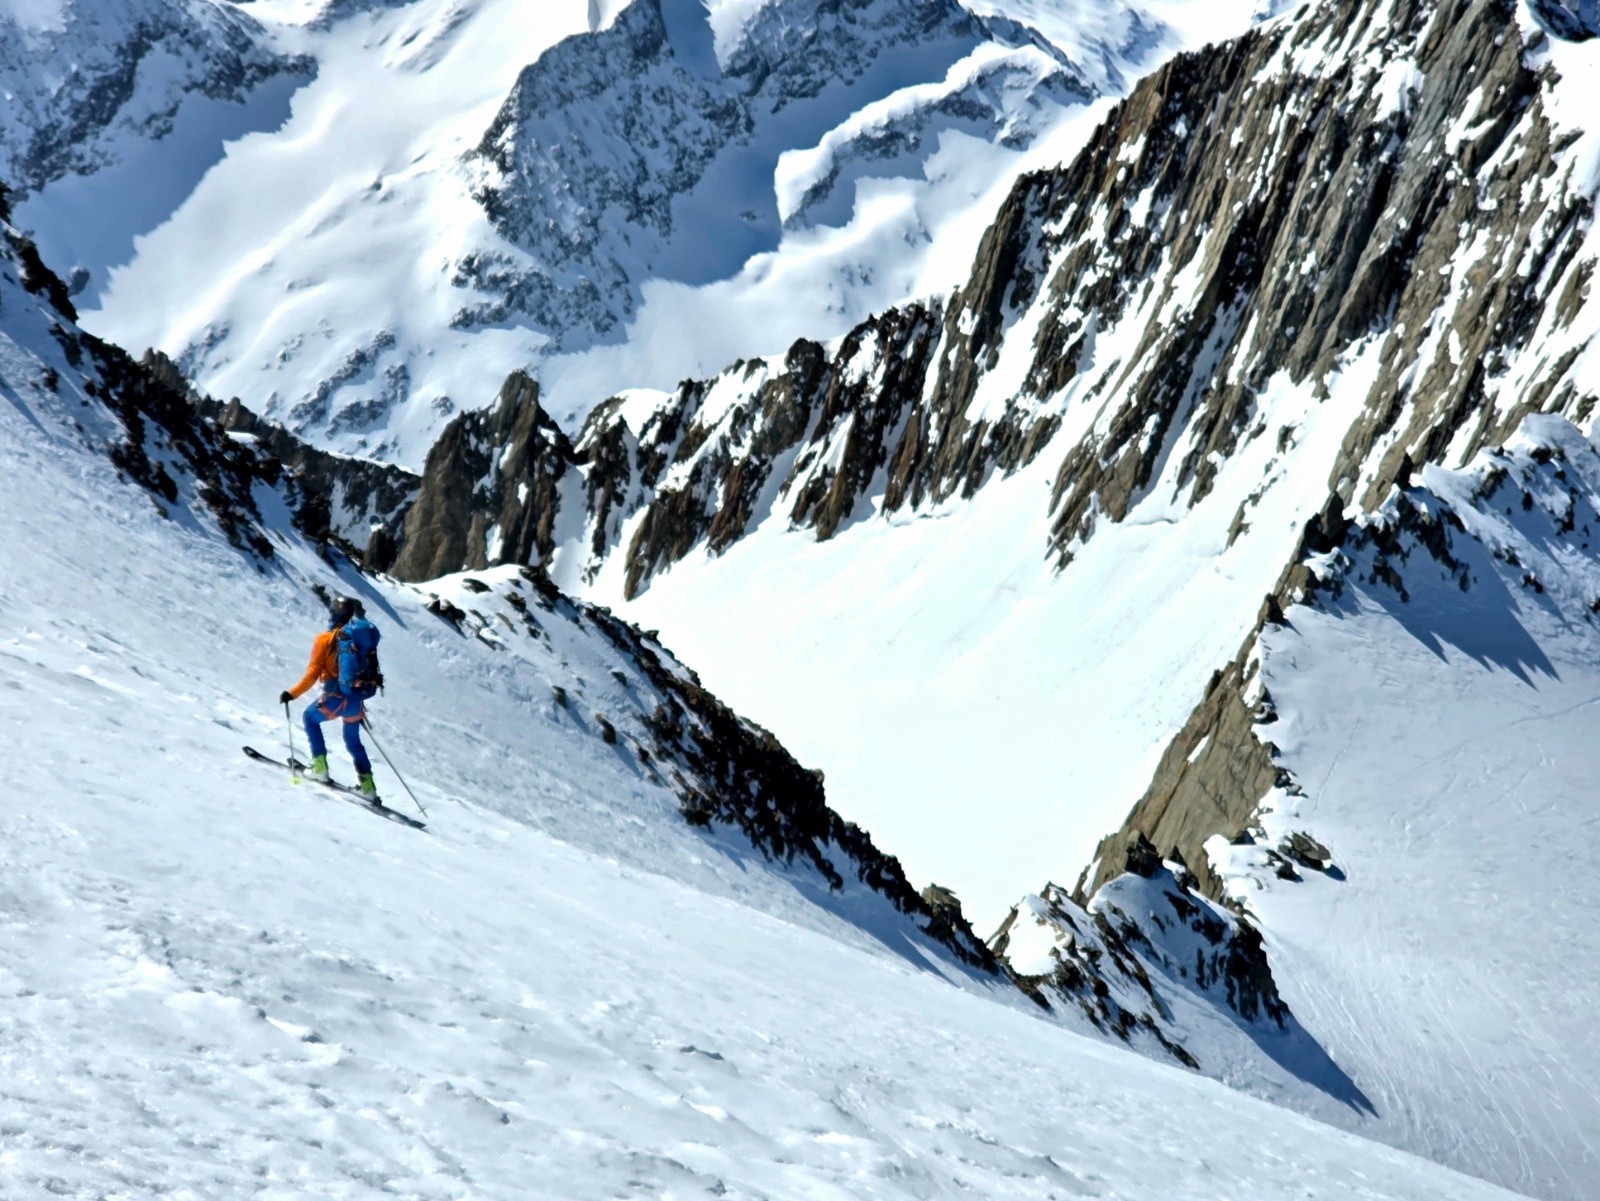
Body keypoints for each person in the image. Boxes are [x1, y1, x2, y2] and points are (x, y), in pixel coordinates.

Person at [279, 596, 383, 798]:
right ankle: (368, 787)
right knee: (353, 740)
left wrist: (292, 694)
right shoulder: (358, 639)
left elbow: (312, 674)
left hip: (335, 698)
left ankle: (320, 767)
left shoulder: (324, 639)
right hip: (356, 700)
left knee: (310, 719)